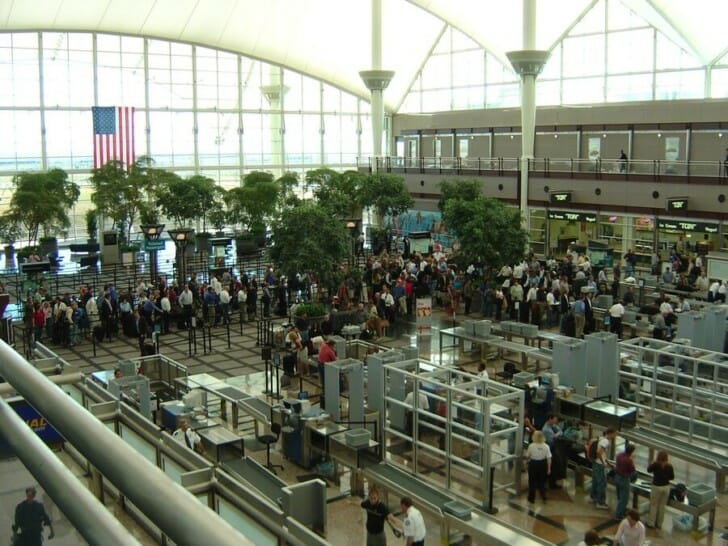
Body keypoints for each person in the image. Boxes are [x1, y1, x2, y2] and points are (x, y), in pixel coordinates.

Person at [646, 450, 674, 529]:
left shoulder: (655, 464)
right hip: (666, 487)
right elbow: (672, 477)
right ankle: (659, 524)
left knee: (654, 505)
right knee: (662, 506)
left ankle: (651, 523)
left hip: (656, 486)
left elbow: (648, 470)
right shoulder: (669, 466)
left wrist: (651, 463)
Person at [591, 427, 616, 510]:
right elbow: (599, 452)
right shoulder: (605, 441)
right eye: (614, 434)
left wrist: (608, 462)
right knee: (602, 483)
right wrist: (603, 463)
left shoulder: (600, 438)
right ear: (610, 433)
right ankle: (600, 502)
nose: (615, 436)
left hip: (595, 463)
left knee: (595, 481)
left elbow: (602, 454)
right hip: (599, 465)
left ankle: (594, 497)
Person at [526, 430, 551, 503]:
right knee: (542, 481)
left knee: (532, 481)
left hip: (533, 464)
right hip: (542, 464)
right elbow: (549, 458)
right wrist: (549, 469)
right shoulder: (546, 446)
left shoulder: (531, 446)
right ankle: (543, 496)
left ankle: (531, 498)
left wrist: (527, 462)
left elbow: (528, 456)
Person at [614, 443, 636, 521]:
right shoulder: (628, 460)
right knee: (624, 498)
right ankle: (618, 514)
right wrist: (632, 460)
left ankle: (621, 510)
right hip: (624, 479)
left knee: (620, 496)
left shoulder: (619, 455)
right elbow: (632, 470)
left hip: (617, 477)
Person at [317, 337, 337, 410]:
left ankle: (324, 393)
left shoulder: (324, 345)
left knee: (323, 380)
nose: (334, 347)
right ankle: (327, 395)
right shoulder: (330, 351)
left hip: (319, 364)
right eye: (333, 346)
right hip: (324, 366)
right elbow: (335, 361)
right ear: (331, 345)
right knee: (327, 381)